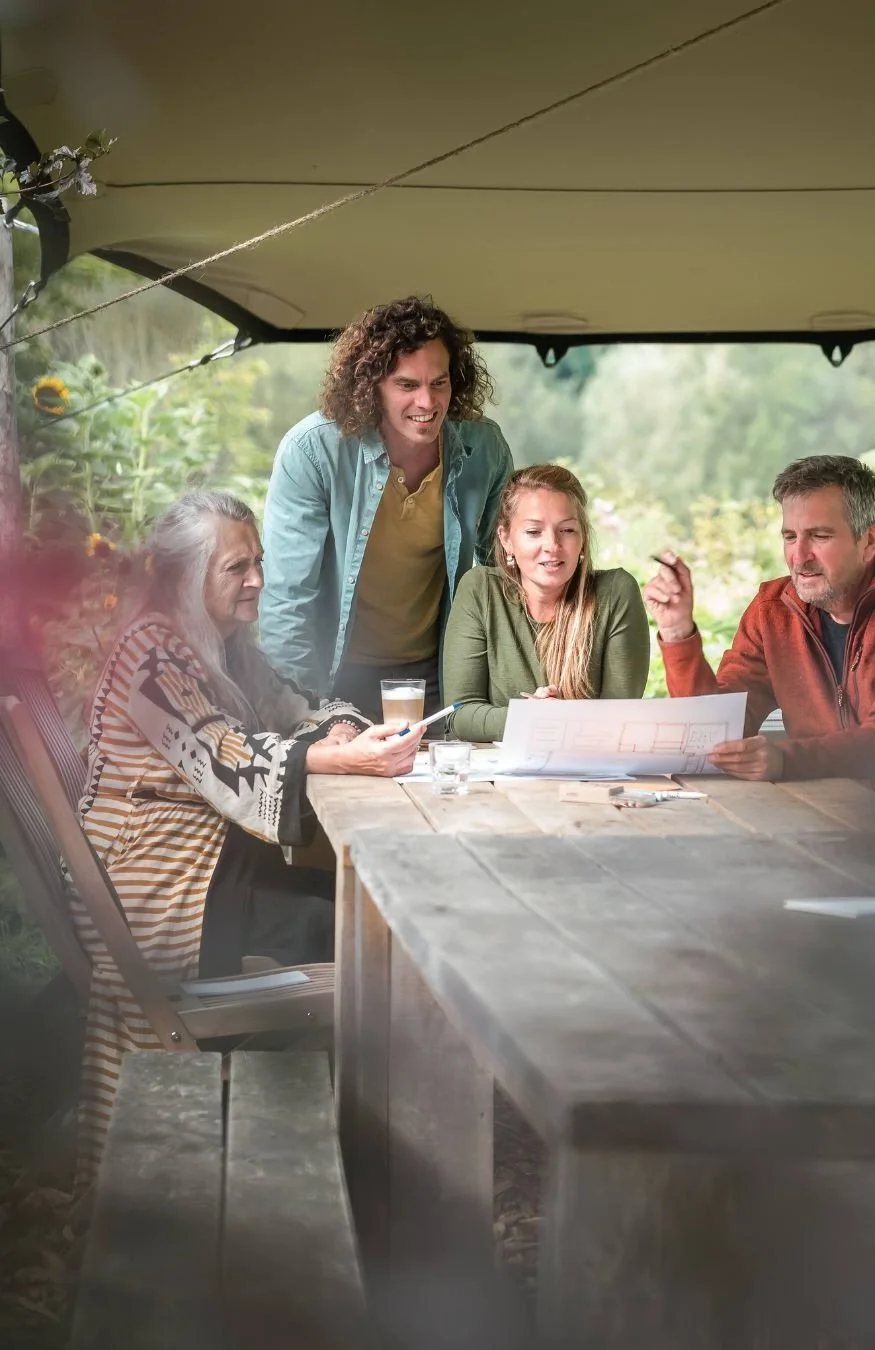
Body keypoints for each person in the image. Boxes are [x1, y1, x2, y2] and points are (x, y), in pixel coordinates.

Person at [77, 489, 422, 1181]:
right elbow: (224, 757)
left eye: (258, 561)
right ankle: (332, 1150)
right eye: (238, 567)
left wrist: (345, 730)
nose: (258, 579)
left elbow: (295, 704)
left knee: (359, 909)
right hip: (159, 882)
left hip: (212, 866)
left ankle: (331, 1140)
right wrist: (338, 756)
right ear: (185, 576)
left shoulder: (223, 647)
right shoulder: (151, 650)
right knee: (354, 925)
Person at [642, 454, 875, 822]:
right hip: (838, 823)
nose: (799, 556)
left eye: (819, 536)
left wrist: (784, 760)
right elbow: (714, 732)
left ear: (869, 540)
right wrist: (677, 632)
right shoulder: (772, 609)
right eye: (790, 536)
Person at [259, 295, 514, 721]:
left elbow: (509, 579)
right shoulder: (313, 450)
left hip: (437, 674)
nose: (427, 403)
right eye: (407, 385)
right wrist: (305, 716)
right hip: (333, 677)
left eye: (439, 382)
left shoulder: (483, 447)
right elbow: (287, 601)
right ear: (371, 385)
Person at [442, 464, 651, 742]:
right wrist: (528, 717)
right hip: (498, 777)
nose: (552, 545)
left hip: (589, 772)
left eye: (567, 530)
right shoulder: (480, 590)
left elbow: (620, 717)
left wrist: (555, 719)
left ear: (583, 538)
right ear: (506, 540)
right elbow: (461, 714)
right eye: (533, 532)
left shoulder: (615, 593)